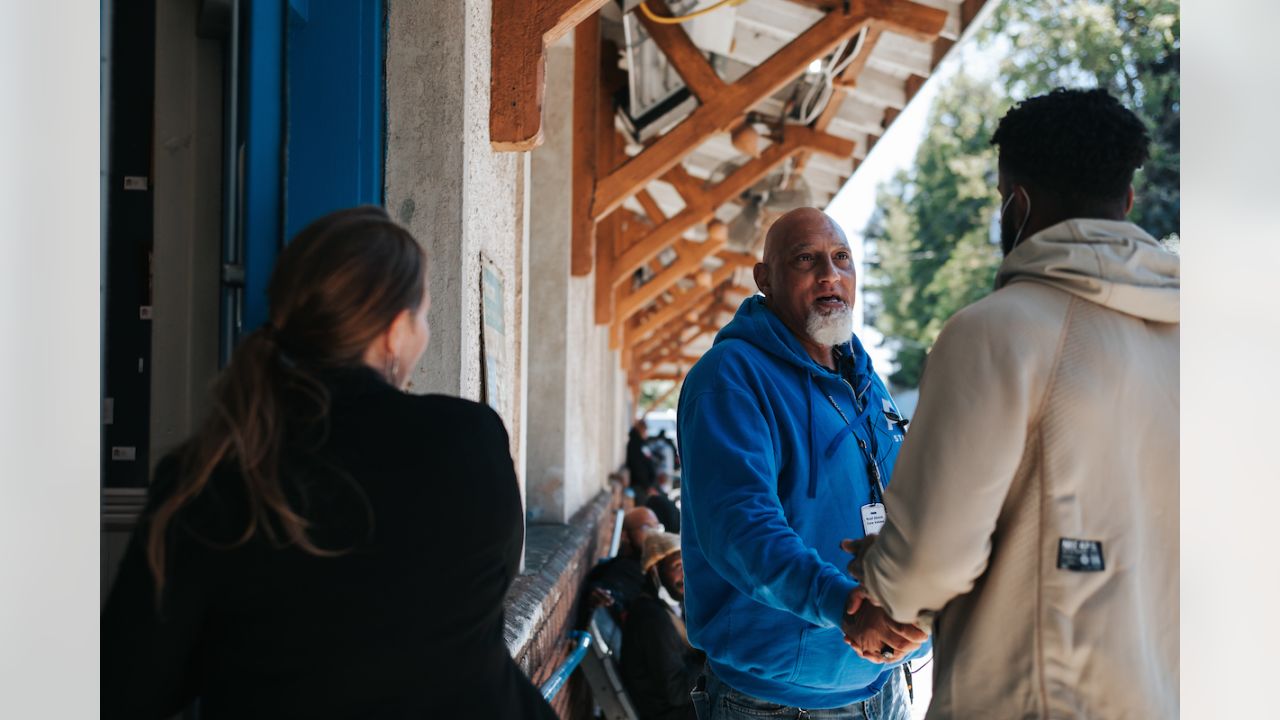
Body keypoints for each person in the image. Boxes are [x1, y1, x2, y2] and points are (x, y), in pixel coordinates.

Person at [101, 206, 556, 719]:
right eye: (422, 315)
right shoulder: (468, 440)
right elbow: (485, 592)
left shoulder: (210, 471)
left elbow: (130, 684)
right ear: (393, 330)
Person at [843, 88, 1179, 718]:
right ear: (1128, 202)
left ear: (1016, 204)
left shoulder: (996, 333)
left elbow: (931, 559)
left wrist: (881, 579)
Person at [677, 207, 927, 720]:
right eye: (806, 259)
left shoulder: (863, 379)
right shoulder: (730, 378)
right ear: (764, 279)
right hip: (773, 701)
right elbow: (739, 527)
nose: (829, 274)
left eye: (841, 259)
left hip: (883, 683)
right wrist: (843, 606)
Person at [621, 532, 703, 720]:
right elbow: (677, 692)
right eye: (677, 566)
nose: (686, 575)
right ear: (655, 571)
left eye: (687, 565)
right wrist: (714, 662)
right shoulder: (652, 619)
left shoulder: (668, 605)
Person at [585, 507, 662, 620]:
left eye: (657, 528)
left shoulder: (647, 567)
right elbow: (612, 592)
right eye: (646, 527)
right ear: (625, 536)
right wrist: (606, 597)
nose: (655, 534)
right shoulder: (625, 568)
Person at [627, 419, 657, 490]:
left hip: (647, 485)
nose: (646, 432)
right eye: (645, 430)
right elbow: (638, 468)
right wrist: (647, 487)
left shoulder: (641, 443)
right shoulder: (635, 445)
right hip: (641, 487)